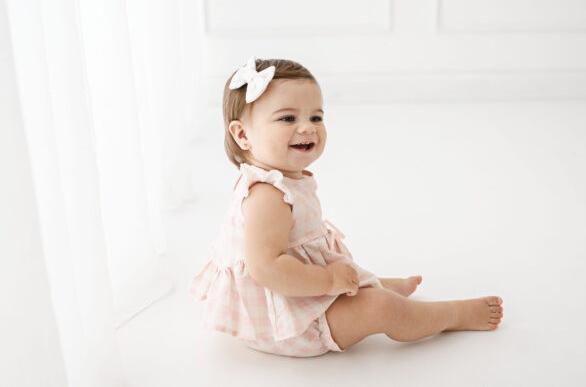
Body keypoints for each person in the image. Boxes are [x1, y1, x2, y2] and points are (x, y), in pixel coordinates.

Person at [188, 56, 504, 358]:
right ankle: (452, 315)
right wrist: (327, 280)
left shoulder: (282, 178)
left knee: (353, 279)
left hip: (299, 289)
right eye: (288, 118)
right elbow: (267, 269)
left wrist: (332, 277)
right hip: (287, 324)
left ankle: (367, 283)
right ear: (243, 134)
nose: (308, 127)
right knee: (383, 308)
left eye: (316, 117)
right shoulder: (266, 196)